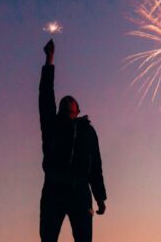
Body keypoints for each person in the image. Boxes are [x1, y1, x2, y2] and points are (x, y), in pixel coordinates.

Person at [38, 39, 107, 242]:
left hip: (80, 192)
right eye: (63, 101)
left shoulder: (88, 131)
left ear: (78, 110)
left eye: (72, 101)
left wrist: (100, 196)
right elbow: (45, 95)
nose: (67, 100)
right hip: (54, 188)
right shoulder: (51, 125)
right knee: (48, 238)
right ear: (59, 109)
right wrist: (49, 59)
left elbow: (96, 166)